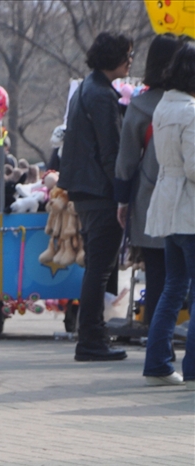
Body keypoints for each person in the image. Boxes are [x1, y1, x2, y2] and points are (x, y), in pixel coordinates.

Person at [59, 31, 134, 362]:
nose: (131, 61)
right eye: (128, 55)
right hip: (101, 192)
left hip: (85, 190)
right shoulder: (102, 95)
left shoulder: (87, 89)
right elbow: (111, 152)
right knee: (100, 269)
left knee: (96, 267)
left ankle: (90, 335)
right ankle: (91, 338)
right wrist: (122, 195)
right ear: (114, 58)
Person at [115, 34, 184, 334]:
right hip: (186, 203)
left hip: (149, 202)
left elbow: (126, 160)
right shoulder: (188, 106)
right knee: (183, 278)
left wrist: (122, 202)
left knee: (158, 278)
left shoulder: (141, 106)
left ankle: (156, 346)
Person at [143, 40, 195, 388]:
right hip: (189, 206)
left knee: (172, 287)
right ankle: (191, 368)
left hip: (167, 203)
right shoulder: (191, 111)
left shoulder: (163, 106)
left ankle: (158, 363)